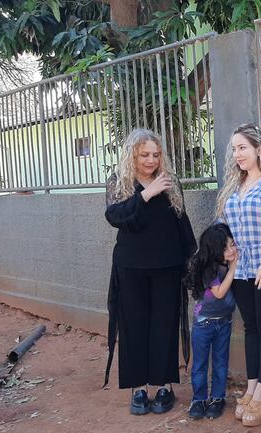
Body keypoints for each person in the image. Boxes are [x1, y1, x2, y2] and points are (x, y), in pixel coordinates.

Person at [103, 128, 196, 415]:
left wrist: (191, 259)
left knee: (164, 325)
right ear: (132, 155)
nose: (151, 160)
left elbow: (181, 221)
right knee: (134, 326)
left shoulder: (169, 180)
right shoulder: (119, 182)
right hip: (131, 266)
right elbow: (115, 216)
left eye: (156, 155)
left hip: (167, 265)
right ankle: (139, 388)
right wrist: (146, 194)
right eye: (144, 154)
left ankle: (164, 385)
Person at [215, 123, 261, 427]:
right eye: (234, 149)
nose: (237, 154)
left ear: (258, 148)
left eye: (242, 148)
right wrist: (224, 249)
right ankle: (252, 385)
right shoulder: (234, 185)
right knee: (251, 327)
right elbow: (222, 224)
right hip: (240, 270)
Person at [184, 223, 238, 420]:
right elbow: (219, 293)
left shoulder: (226, 264)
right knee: (200, 363)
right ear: (214, 250)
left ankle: (217, 398)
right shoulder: (209, 269)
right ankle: (199, 399)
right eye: (225, 248)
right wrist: (233, 268)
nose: (231, 251)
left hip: (224, 322)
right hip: (204, 323)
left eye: (232, 244)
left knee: (220, 362)